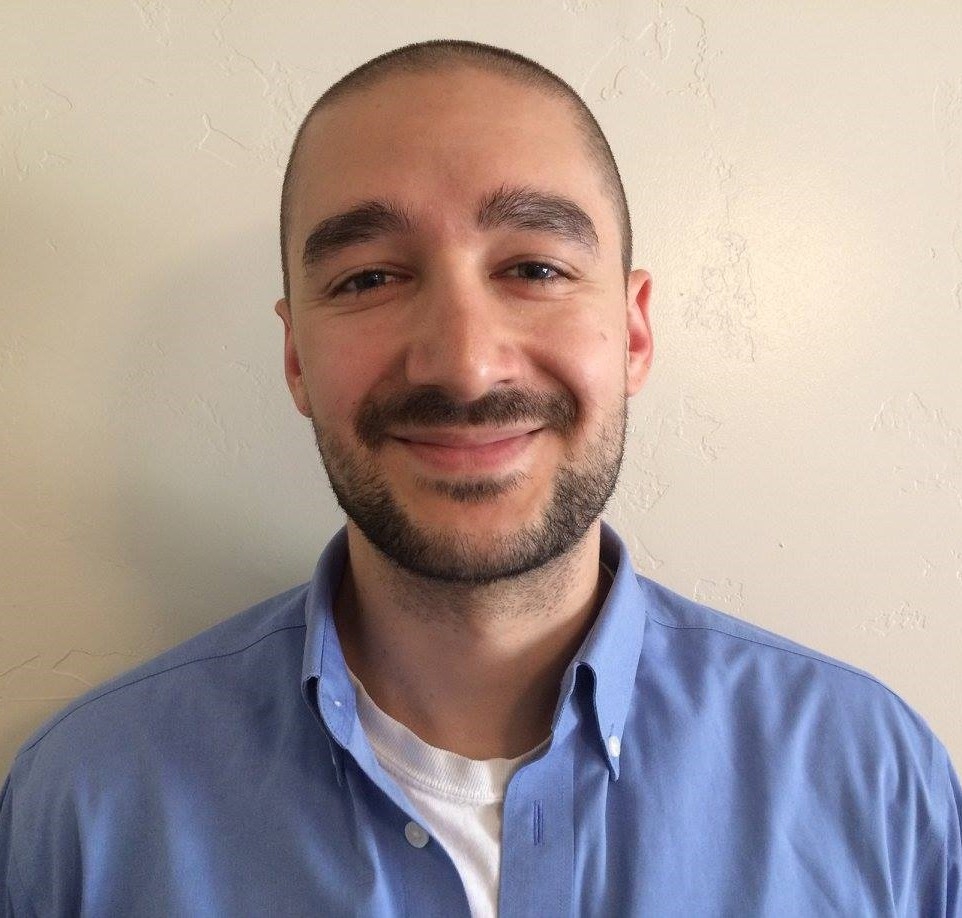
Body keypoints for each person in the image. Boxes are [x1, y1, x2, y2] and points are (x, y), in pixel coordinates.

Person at [1, 38, 959, 917]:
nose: (464, 365)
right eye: (369, 278)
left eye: (534, 268)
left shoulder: (872, 779)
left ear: (633, 334)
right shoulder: (83, 808)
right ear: (296, 359)